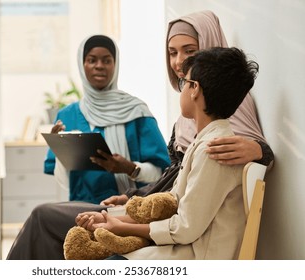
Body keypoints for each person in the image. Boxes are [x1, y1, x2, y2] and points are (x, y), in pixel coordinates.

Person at [6, 10, 274, 260]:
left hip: (173, 231)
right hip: (144, 207)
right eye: (172, 52)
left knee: (51, 223)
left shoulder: (210, 128)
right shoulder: (70, 112)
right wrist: (130, 200)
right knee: (59, 227)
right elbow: (176, 185)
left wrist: (261, 150)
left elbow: (187, 206)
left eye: (189, 52)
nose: (179, 62)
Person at [94, 46, 260, 260]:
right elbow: (173, 203)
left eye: (184, 83)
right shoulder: (203, 142)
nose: (181, 89)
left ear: (195, 89)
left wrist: (124, 228)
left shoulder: (214, 150)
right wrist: (113, 219)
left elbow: (184, 227)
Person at [44, 35, 170, 204]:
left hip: (129, 209)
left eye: (107, 60)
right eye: (92, 60)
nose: (99, 66)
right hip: (84, 211)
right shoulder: (67, 115)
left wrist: (130, 168)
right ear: (82, 65)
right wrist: (59, 147)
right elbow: (65, 182)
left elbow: (163, 173)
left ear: (115, 65)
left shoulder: (136, 112)